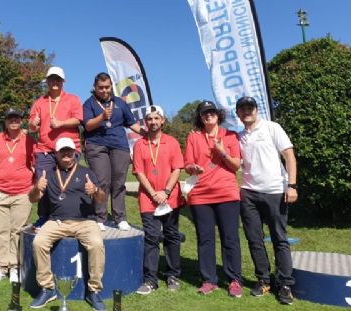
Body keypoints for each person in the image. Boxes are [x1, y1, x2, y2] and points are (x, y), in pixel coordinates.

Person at [28, 137, 107, 311]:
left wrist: (94, 191)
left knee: (96, 244)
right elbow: (33, 199)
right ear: (56, 154)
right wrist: (37, 187)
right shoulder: (48, 174)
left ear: (75, 153)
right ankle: (47, 288)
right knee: (38, 242)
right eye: (62, 151)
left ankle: (93, 291)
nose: (66, 154)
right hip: (56, 221)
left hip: (85, 222)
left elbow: (101, 199)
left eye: (69, 151)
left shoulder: (86, 172)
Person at [236, 96, 298, 305]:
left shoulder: (272, 127)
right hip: (249, 193)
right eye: (243, 109)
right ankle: (263, 280)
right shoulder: (239, 136)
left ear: (256, 110)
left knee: (279, 238)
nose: (247, 111)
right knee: (254, 239)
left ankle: (285, 284)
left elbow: (289, 156)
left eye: (250, 108)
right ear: (238, 113)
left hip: (274, 191)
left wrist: (292, 185)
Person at [184, 100, 243, 297]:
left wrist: (222, 151)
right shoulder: (194, 137)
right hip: (200, 195)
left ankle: (234, 280)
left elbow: (236, 166)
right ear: (200, 117)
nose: (208, 115)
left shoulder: (230, 136)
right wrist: (193, 168)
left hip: (226, 193)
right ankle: (209, 280)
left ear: (218, 115)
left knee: (230, 238)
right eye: (204, 113)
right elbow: (188, 165)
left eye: (211, 112)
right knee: (205, 239)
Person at [82, 72, 146, 232]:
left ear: (111, 86)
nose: (104, 90)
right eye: (100, 88)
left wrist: (147, 133)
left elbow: (131, 123)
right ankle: (100, 217)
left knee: (118, 183)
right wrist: (102, 117)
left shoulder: (120, 103)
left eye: (107, 87)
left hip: (119, 145)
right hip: (97, 146)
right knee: (102, 181)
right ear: (95, 88)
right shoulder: (89, 104)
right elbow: (88, 125)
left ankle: (120, 218)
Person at [132, 105, 185, 295]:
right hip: (148, 198)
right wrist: (154, 193)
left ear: (163, 120)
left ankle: (172, 275)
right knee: (151, 238)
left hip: (170, 198)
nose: (153, 122)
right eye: (149, 119)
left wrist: (166, 191)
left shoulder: (171, 142)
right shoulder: (139, 144)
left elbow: (177, 169)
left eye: (156, 118)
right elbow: (138, 171)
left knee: (171, 236)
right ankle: (150, 279)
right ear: (145, 122)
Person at [0, 108, 36, 283]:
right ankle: (0, 268)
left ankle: (14, 267)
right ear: (5, 122)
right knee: (0, 232)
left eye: (17, 118)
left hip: (23, 193)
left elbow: (35, 165)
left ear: (21, 121)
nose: (13, 121)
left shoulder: (29, 140)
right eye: (10, 118)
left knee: (17, 232)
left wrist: (35, 187)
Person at [28, 66, 83, 223]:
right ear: (47, 81)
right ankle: (44, 217)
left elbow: (78, 119)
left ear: (63, 82)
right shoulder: (39, 102)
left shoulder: (73, 99)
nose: (55, 82)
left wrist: (61, 123)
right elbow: (31, 127)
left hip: (68, 150)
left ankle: (69, 216)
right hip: (45, 150)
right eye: (51, 79)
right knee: (43, 184)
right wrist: (33, 124)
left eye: (58, 79)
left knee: (68, 183)